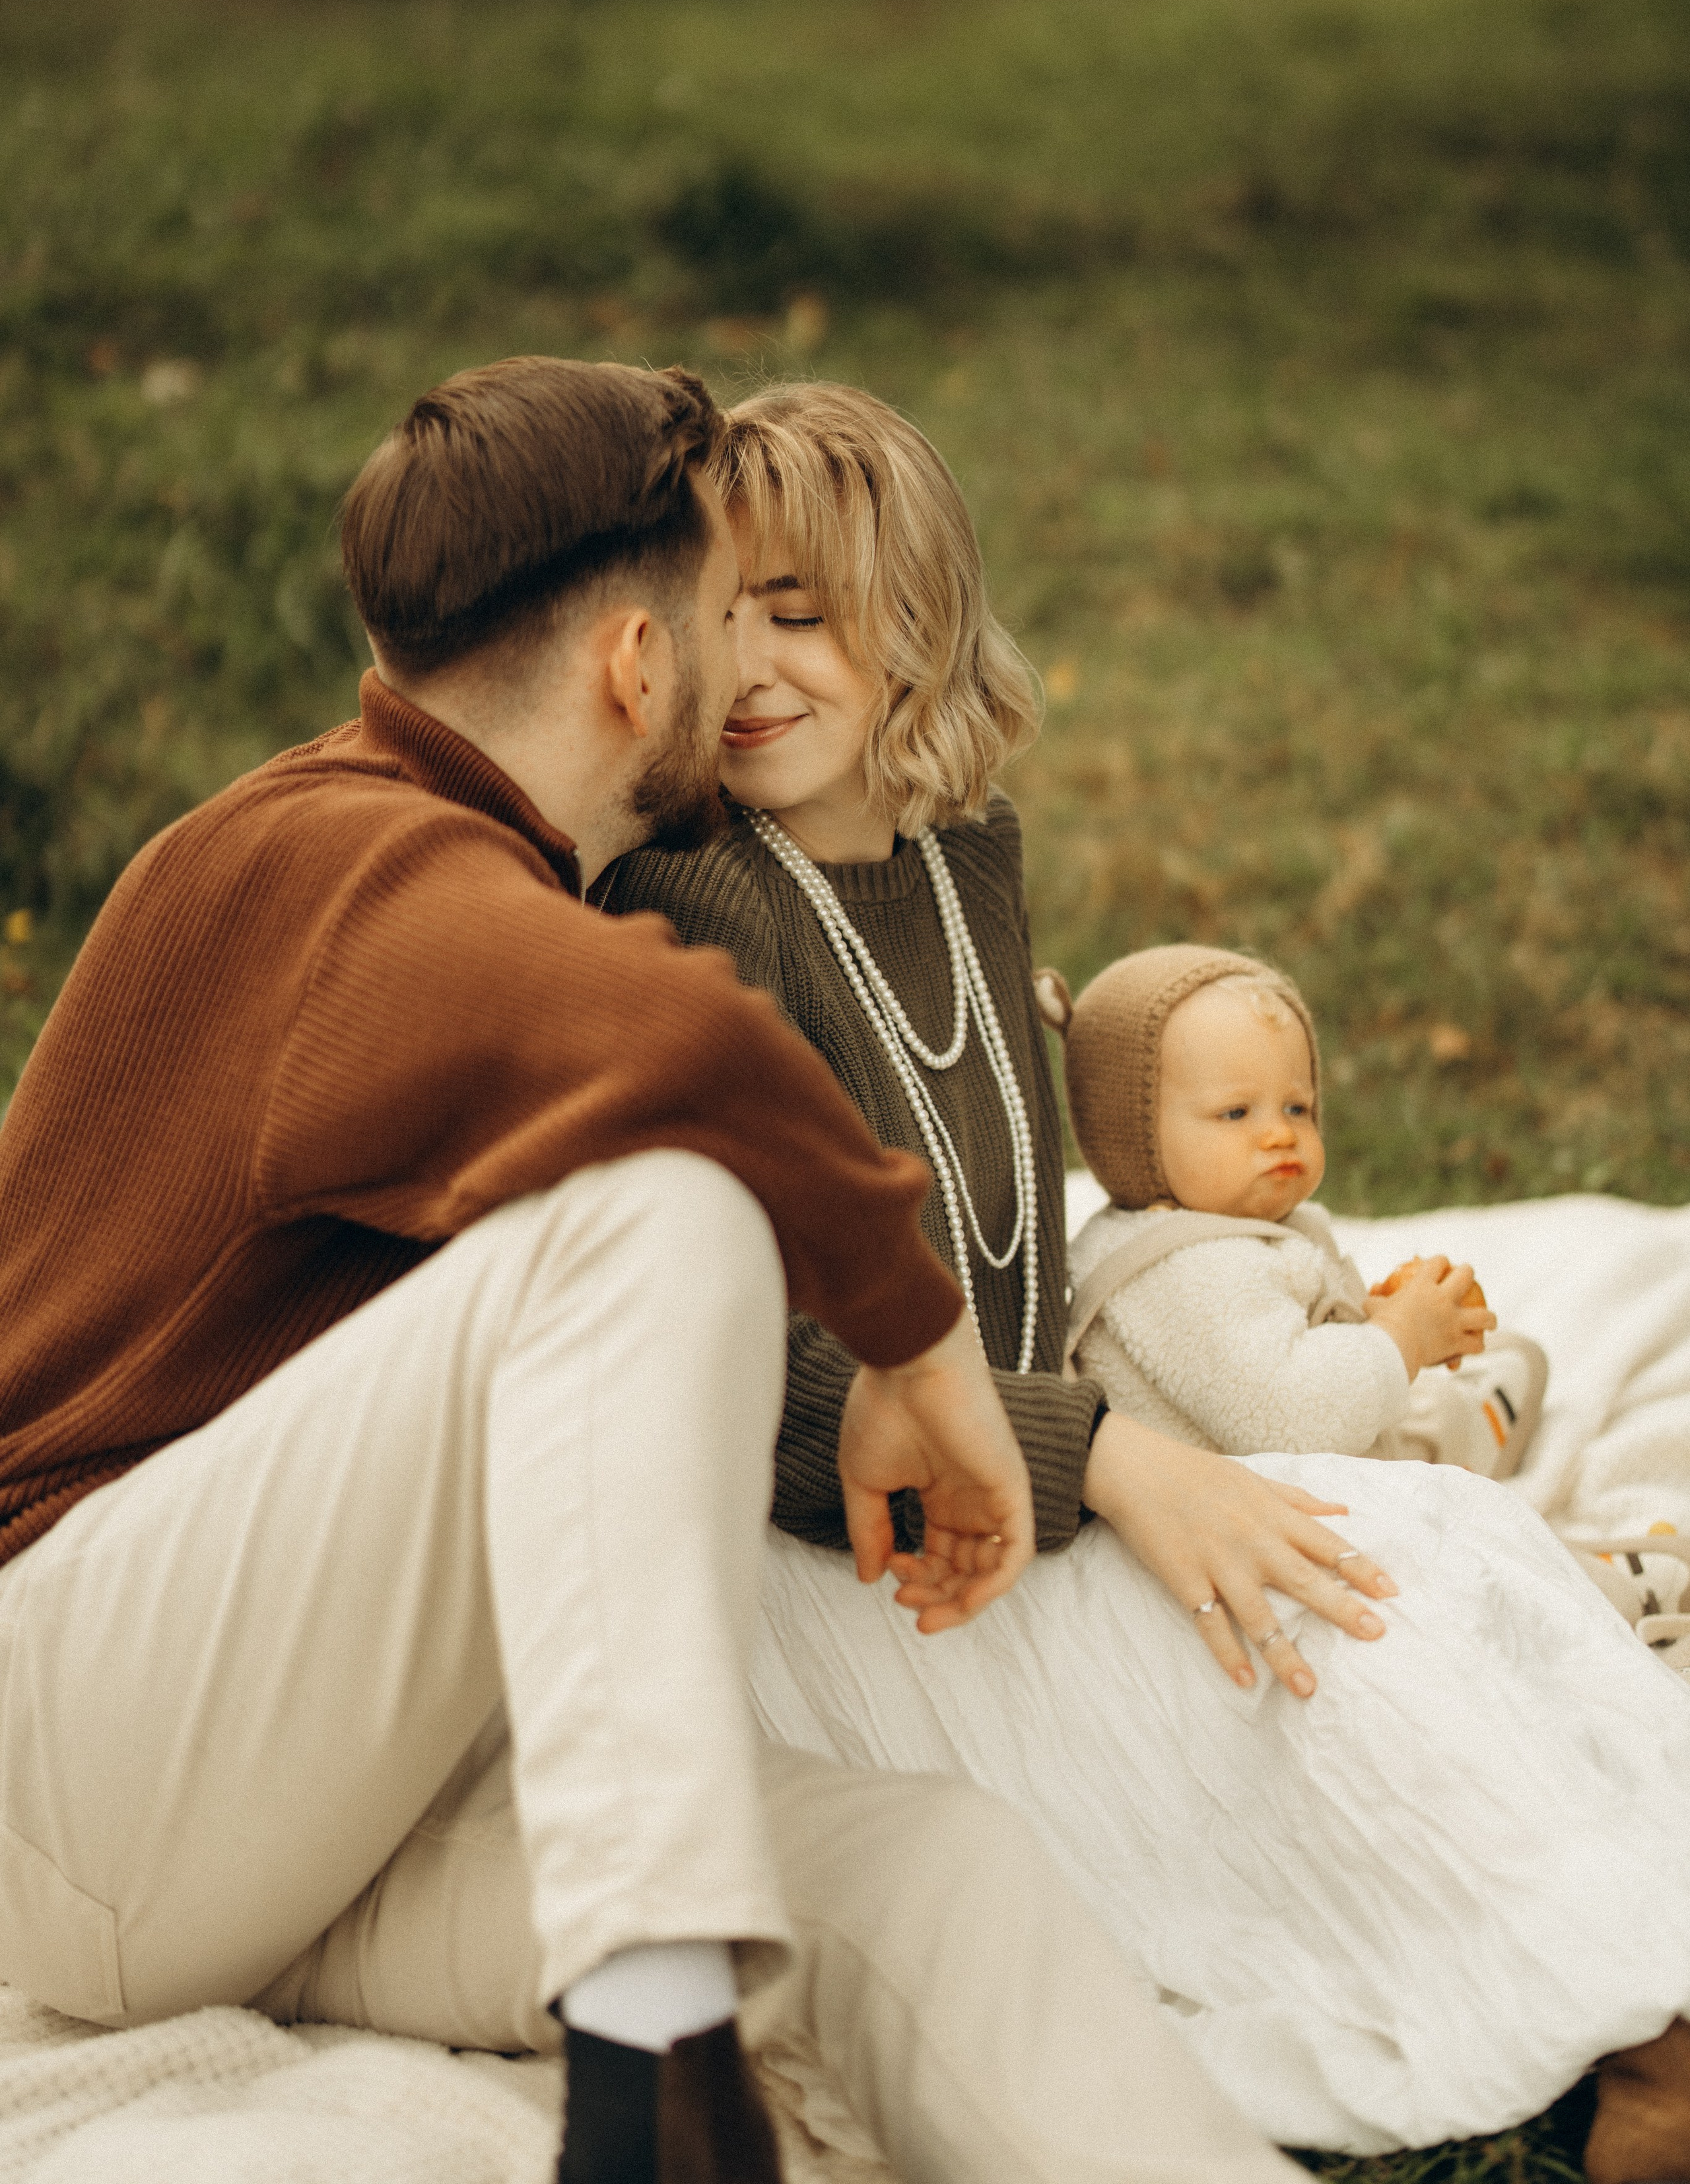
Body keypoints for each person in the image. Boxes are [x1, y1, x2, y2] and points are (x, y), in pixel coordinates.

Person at [0, 358, 1306, 2184]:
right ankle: (661, 2087)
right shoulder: (328, 858)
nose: (750, 665)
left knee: (931, 1877)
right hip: (73, 1754)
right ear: (634, 668)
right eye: (721, 614)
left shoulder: (471, 879)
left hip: (318, 1818)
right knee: (662, 1214)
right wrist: (929, 1362)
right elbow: (686, 1055)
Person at [605, 377, 1690, 2184]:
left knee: (1438, 1556)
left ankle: (1645, 1986)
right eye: (714, 619)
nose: (751, 667)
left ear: (916, 624)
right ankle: (1639, 2039)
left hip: (1033, 1473)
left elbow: (1021, 1203)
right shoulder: (699, 899)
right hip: (853, 1556)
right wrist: (1118, 1455)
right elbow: (757, 1384)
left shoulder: (964, 862)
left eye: (796, 611)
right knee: (1366, 1597)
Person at [1048, 943, 1549, 1479]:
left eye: (1297, 1107)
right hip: (1262, 1503)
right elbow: (1297, 1420)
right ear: (1133, 1136)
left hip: (1284, 1468)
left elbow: (1280, 1347)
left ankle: (1458, 1426)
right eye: (1236, 1112)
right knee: (1426, 1506)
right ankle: (1471, 1449)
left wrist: (1370, 1321)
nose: (1280, 1133)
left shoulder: (1204, 1229)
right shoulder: (1188, 1273)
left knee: (1413, 1406)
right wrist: (1403, 1337)